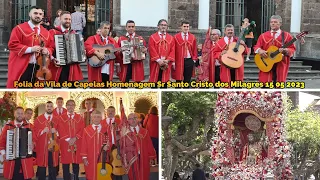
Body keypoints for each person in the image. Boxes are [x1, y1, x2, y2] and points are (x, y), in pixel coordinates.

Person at [7, 6, 53, 88]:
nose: (38, 15)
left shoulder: (46, 32)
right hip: (22, 66)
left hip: (39, 68)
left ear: (42, 16)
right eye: (35, 13)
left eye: (40, 14)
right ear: (29, 14)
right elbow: (12, 44)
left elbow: (51, 47)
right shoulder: (19, 29)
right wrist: (31, 49)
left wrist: (47, 51)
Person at [254, 15, 296, 84]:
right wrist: (260, 50)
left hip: (280, 63)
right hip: (266, 62)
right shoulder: (263, 36)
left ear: (280, 24)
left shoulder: (287, 36)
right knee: (265, 85)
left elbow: (292, 48)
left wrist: (286, 50)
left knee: (278, 84)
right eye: (271, 22)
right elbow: (256, 46)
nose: (273, 23)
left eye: (275, 22)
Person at [49, 11, 83, 85]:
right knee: (58, 90)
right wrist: (52, 58)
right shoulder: (53, 32)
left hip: (72, 67)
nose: (68, 21)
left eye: (69, 19)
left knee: (73, 90)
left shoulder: (74, 33)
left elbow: (79, 49)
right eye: (66, 19)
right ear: (60, 19)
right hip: (58, 65)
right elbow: (49, 47)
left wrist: (82, 53)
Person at [0, 107, 35, 180]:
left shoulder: (30, 126)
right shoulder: (8, 126)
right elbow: (2, 141)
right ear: (14, 114)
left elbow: (35, 139)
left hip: (25, 159)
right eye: (18, 113)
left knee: (26, 177)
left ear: (24, 115)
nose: (20, 115)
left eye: (21, 113)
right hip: (12, 159)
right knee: (13, 177)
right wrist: (3, 153)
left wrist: (33, 144)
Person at [120, 112, 157, 180]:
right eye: (130, 119)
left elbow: (149, 145)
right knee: (133, 176)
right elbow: (122, 147)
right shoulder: (125, 133)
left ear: (138, 119)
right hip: (131, 158)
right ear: (128, 120)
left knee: (144, 175)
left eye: (135, 118)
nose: (133, 120)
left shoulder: (144, 131)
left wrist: (151, 157)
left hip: (143, 156)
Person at [33, 101, 61, 180]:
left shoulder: (57, 119)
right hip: (42, 147)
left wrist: (56, 132)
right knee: (42, 166)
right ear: (45, 107)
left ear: (53, 108)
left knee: (52, 167)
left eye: (51, 106)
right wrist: (42, 131)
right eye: (47, 106)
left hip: (53, 146)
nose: (49, 108)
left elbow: (61, 132)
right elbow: (34, 131)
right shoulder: (38, 119)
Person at [58, 99, 85, 180]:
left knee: (76, 162)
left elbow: (82, 128)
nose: (70, 107)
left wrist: (75, 138)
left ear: (74, 106)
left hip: (76, 142)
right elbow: (60, 128)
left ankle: (76, 177)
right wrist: (68, 139)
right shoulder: (61, 118)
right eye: (69, 105)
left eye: (72, 105)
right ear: (66, 106)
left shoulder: (79, 117)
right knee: (65, 163)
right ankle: (66, 178)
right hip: (66, 143)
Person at [80, 110, 111, 180]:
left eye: (98, 117)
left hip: (103, 157)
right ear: (92, 118)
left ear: (101, 118)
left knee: (103, 175)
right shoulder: (86, 130)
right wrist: (84, 158)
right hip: (90, 158)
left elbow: (109, 142)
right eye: (94, 117)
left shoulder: (105, 129)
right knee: (91, 175)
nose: (96, 119)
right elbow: (83, 145)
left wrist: (108, 146)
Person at [149, 19, 175, 83]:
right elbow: (151, 49)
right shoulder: (152, 37)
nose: (163, 27)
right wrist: (159, 60)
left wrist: (167, 60)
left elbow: (173, 50)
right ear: (158, 26)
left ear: (167, 27)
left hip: (166, 63)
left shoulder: (171, 38)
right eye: (162, 25)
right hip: (156, 63)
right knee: (154, 82)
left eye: (165, 25)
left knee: (164, 82)